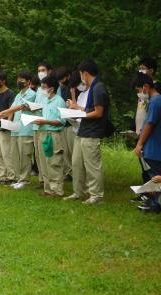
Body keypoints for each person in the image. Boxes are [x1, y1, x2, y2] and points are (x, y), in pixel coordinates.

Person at [64, 59, 110, 204]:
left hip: (92, 132)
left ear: (85, 73)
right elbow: (88, 109)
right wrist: (77, 109)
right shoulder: (92, 88)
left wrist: (80, 115)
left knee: (92, 165)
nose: (81, 78)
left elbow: (98, 112)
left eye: (81, 74)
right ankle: (78, 192)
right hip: (82, 131)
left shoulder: (98, 88)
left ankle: (96, 195)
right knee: (76, 163)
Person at [0, 71, 36, 189]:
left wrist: (4, 112)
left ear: (28, 82)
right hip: (16, 129)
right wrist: (2, 115)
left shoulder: (31, 94)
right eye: (18, 79)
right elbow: (12, 108)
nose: (19, 82)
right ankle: (19, 178)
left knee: (25, 155)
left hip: (26, 129)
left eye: (22, 80)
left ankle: (25, 180)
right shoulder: (18, 95)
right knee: (15, 155)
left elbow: (21, 107)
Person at [33, 76, 66, 196]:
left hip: (53, 134)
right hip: (42, 133)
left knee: (54, 162)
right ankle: (48, 189)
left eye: (44, 87)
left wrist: (45, 122)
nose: (42, 90)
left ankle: (57, 190)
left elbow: (61, 121)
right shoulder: (45, 101)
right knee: (44, 162)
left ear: (51, 88)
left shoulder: (59, 101)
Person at [132, 73, 161, 212]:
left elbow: (149, 124)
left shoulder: (156, 101)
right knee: (155, 176)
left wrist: (140, 144)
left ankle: (156, 204)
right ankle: (154, 203)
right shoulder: (154, 101)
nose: (140, 93)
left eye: (139, 90)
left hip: (155, 148)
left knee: (156, 177)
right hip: (153, 147)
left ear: (146, 87)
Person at [32, 62, 53, 189]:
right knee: (38, 155)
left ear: (49, 71)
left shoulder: (53, 88)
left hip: (46, 125)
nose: (40, 72)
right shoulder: (39, 90)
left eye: (43, 70)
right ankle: (42, 180)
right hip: (36, 125)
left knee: (47, 155)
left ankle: (50, 182)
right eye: (39, 70)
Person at [56, 66, 74, 181]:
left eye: (62, 79)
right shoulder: (59, 88)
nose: (60, 82)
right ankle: (69, 172)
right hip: (63, 123)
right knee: (65, 151)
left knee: (72, 150)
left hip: (72, 123)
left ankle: (77, 172)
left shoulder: (73, 87)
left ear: (68, 76)